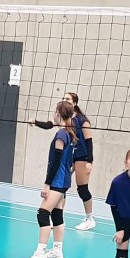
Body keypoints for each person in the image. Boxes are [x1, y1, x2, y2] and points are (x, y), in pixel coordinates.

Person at [28, 92, 95, 230]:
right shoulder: (65, 119)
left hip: (82, 156)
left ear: (75, 103)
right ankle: (58, 218)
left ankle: (89, 218)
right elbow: (50, 124)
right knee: (61, 187)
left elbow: (89, 141)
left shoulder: (82, 120)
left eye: (68, 99)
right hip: (69, 156)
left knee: (82, 188)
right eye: (64, 98)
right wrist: (36, 122)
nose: (65, 100)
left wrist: (90, 161)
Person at [24, 100, 76, 258]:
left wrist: (47, 184)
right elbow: (48, 125)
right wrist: (36, 122)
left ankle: (40, 253)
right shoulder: (69, 132)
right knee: (57, 214)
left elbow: (55, 162)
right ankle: (57, 251)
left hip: (57, 181)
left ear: (58, 113)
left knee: (43, 213)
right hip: (64, 180)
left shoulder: (61, 135)